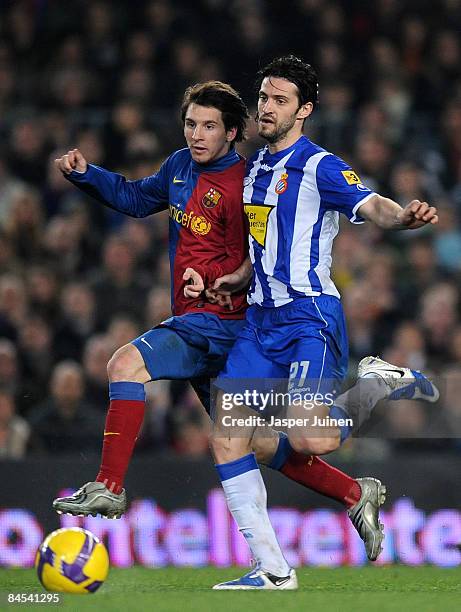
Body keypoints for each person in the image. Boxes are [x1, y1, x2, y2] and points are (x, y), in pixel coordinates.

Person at [52, 81, 387, 576]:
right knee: (254, 442)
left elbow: (262, 257)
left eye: (209, 126)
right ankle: (351, 497)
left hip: (227, 323)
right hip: (200, 322)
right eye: (191, 124)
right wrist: (87, 176)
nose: (197, 134)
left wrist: (211, 280)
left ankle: (110, 487)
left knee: (126, 362)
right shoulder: (179, 168)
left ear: (233, 133)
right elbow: (135, 197)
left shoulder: (247, 183)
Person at [203, 56, 439, 590]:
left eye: (279, 99)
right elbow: (259, 245)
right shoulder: (252, 168)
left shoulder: (320, 166)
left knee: (313, 437)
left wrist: (401, 216)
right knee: (234, 438)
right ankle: (273, 570)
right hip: (259, 322)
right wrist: (235, 278)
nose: (266, 107)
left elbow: (370, 202)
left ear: (304, 110)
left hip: (309, 316)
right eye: (263, 97)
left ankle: (374, 384)